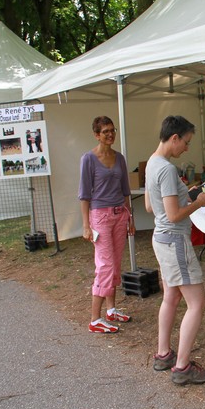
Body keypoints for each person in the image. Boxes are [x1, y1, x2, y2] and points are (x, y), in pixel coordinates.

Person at [144, 115, 205, 385]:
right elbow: (173, 215)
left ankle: (163, 354)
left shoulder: (152, 162)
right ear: (174, 138)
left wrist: (185, 194)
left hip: (160, 239)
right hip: (174, 240)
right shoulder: (167, 170)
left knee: (171, 297)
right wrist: (199, 202)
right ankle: (182, 367)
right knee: (197, 303)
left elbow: (151, 207)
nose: (186, 148)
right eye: (185, 142)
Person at [78, 116, 135, 334]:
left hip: (120, 214)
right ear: (96, 135)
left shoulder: (119, 158)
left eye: (112, 130)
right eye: (105, 131)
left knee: (116, 263)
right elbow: (84, 195)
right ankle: (95, 319)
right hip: (99, 217)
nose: (110, 134)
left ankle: (111, 310)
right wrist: (85, 225)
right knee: (105, 265)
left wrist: (130, 217)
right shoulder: (88, 159)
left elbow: (126, 191)